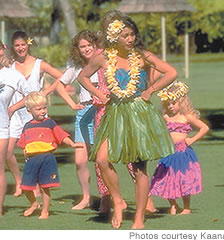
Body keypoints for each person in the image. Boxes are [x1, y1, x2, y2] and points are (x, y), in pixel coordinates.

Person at [77, 10, 177, 229]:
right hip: (114, 112)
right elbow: (82, 76)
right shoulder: (103, 57)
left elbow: (171, 72)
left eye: (132, 34)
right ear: (115, 38)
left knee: (140, 167)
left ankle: (139, 217)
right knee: (102, 159)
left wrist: (150, 90)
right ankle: (118, 200)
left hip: (139, 114)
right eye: (125, 36)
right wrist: (98, 93)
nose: (130, 39)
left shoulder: (142, 56)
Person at [56, 30, 106, 210]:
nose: (85, 49)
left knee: (102, 161)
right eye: (82, 46)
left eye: (88, 45)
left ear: (95, 45)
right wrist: (71, 103)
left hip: (102, 111)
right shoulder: (76, 65)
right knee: (80, 161)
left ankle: (106, 197)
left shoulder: (104, 62)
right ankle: (86, 198)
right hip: (83, 112)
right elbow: (60, 85)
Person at [7, 31, 62, 197]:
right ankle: (19, 181)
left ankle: (37, 185)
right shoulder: (10, 67)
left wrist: (45, 93)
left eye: (23, 44)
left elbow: (62, 76)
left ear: (28, 44)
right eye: (17, 45)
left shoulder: (40, 64)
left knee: (37, 152)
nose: (20, 48)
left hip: (36, 116)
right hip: (16, 114)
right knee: (7, 152)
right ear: (13, 47)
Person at [17, 92, 84, 219]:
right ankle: (34, 204)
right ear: (29, 111)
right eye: (39, 109)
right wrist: (25, 153)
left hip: (47, 158)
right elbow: (24, 143)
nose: (42, 111)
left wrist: (72, 144)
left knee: (45, 186)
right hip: (31, 160)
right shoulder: (27, 126)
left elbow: (61, 135)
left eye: (44, 108)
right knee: (25, 186)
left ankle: (45, 211)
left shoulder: (50, 123)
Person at [149, 81, 209, 215]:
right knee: (165, 178)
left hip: (183, 153)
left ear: (181, 102)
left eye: (173, 103)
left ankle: (186, 207)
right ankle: (173, 204)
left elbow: (204, 128)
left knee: (183, 180)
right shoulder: (165, 117)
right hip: (169, 152)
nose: (170, 107)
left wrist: (192, 139)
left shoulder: (187, 116)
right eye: (167, 104)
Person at [0, 40, 30, 216]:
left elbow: (30, 96)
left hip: (2, 128)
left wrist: (13, 107)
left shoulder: (13, 76)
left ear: (3, 51)